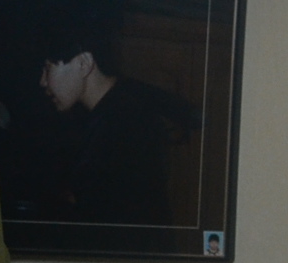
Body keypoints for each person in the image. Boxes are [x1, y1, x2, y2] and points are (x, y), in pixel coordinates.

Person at [37, 11, 193, 225]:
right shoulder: (119, 103)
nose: (43, 82)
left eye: (48, 68)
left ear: (84, 64)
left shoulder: (122, 124)